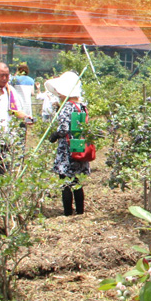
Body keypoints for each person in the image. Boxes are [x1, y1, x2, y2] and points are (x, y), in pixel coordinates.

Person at [46, 72, 89, 216]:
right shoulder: (82, 106)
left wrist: (54, 136)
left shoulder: (68, 107)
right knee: (77, 181)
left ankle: (67, 212)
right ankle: (80, 211)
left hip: (67, 149)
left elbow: (63, 128)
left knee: (65, 181)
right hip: (79, 146)